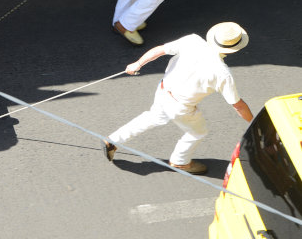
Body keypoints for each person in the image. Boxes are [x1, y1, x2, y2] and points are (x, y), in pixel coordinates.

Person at [102, 22, 254, 175]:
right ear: (233, 50)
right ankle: (180, 162)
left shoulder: (192, 41)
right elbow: (238, 105)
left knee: (152, 117)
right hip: (181, 107)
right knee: (198, 132)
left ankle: (113, 140)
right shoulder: (223, 74)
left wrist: (138, 63)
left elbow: (160, 50)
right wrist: (252, 123)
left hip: (163, 90)